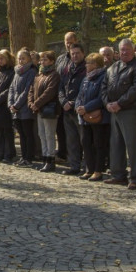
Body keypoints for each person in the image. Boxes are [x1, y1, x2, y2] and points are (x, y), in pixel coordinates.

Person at [101, 39, 136, 189]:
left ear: (133, 50)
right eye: (122, 49)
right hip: (113, 110)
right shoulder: (113, 67)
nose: (124, 52)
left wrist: (119, 103)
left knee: (132, 145)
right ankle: (118, 175)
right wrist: (107, 103)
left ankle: (134, 177)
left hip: (130, 110)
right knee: (116, 144)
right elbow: (104, 87)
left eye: (127, 49)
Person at [76, 52, 110, 182]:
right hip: (84, 117)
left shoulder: (103, 77)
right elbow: (80, 95)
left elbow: (102, 97)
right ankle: (89, 169)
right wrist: (78, 107)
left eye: (88, 63)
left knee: (98, 144)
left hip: (98, 117)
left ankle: (98, 170)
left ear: (95, 64)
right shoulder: (86, 78)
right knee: (86, 142)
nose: (86, 65)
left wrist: (87, 108)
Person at [29, 50, 61, 172]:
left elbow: (50, 92)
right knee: (41, 134)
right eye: (41, 60)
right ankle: (45, 157)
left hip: (49, 109)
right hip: (39, 110)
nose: (42, 62)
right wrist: (31, 103)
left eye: (45, 60)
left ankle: (50, 159)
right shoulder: (39, 75)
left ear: (52, 61)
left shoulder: (54, 75)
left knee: (49, 135)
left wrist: (36, 103)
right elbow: (32, 90)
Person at [58, 42, 87, 175]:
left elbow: (85, 89)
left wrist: (73, 102)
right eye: (72, 53)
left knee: (84, 140)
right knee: (71, 140)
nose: (75, 56)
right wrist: (63, 101)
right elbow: (61, 87)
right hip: (67, 109)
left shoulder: (86, 68)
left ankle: (87, 167)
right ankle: (74, 165)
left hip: (80, 109)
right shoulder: (67, 68)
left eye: (77, 53)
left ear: (83, 53)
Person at [8, 49, 37, 167]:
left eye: (23, 58)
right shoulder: (17, 72)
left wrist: (17, 105)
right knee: (21, 134)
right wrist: (10, 104)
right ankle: (23, 157)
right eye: (19, 58)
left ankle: (28, 158)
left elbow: (27, 90)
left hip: (25, 108)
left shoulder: (31, 72)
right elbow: (11, 89)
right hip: (16, 109)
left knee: (27, 134)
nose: (21, 61)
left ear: (29, 59)